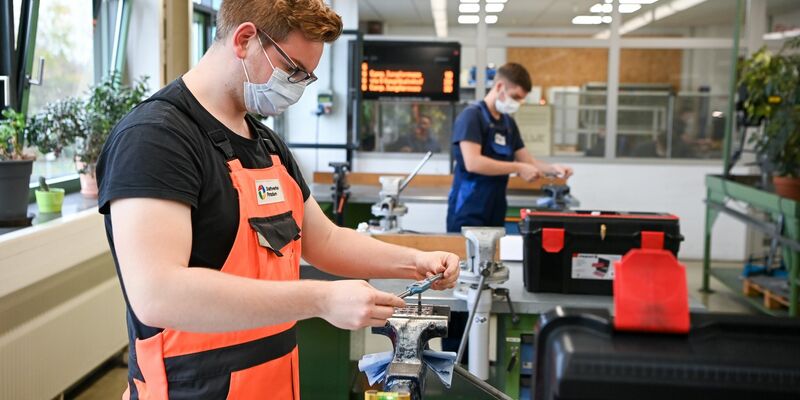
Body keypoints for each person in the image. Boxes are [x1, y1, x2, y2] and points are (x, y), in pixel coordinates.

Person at [95, 1, 459, 398]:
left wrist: (415, 263)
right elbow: (158, 294)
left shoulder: (265, 144)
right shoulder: (156, 138)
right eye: (293, 70)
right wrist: (320, 299)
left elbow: (327, 241)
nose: (298, 87)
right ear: (245, 39)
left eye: (307, 76)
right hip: (192, 387)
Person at [446, 63, 573, 233]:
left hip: (496, 206)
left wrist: (553, 169)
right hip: (468, 206)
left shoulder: (508, 124)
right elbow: (473, 162)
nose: (518, 103)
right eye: (516, 97)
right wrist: (518, 168)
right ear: (499, 87)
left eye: (521, 99)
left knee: (494, 257)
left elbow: (527, 160)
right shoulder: (472, 117)